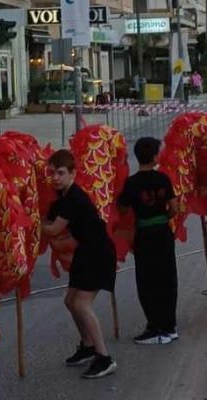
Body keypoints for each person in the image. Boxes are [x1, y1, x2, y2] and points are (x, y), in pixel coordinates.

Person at [44, 149, 118, 379]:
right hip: (85, 252)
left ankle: (104, 357)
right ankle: (87, 346)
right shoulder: (63, 197)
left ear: (73, 173)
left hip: (98, 253)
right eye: (52, 172)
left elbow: (54, 228)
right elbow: (50, 217)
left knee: (82, 304)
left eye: (60, 172)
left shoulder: (74, 198)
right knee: (70, 301)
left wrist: (27, 224)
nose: (55, 177)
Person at [117, 137, 181, 337]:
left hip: (144, 234)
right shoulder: (163, 179)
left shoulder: (131, 183)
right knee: (167, 277)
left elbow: (122, 208)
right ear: (154, 157)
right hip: (163, 232)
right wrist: (163, 217)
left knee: (147, 280)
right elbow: (175, 208)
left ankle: (154, 324)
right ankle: (169, 325)